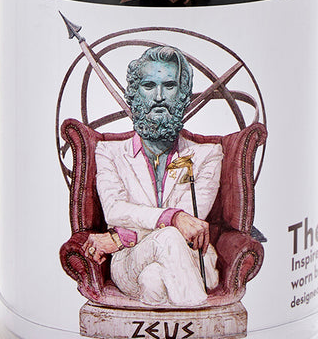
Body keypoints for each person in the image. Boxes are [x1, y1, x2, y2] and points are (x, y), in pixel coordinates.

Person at [88, 45, 221, 307]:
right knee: (168, 236)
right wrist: (173, 217)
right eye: (149, 86)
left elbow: (191, 220)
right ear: (134, 95)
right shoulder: (108, 152)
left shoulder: (208, 155)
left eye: (169, 86)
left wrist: (120, 237)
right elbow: (114, 210)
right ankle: (200, 319)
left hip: (194, 259)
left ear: (183, 96)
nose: (159, 96)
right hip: (131, 262)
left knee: (153, 279)